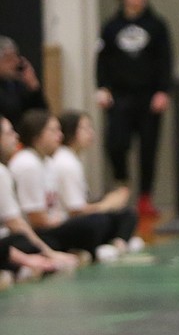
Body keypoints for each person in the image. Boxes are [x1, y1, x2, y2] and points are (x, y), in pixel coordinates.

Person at [96, 0, 173, 219]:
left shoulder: (157, 25)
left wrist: (163, 90)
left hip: (149, 96)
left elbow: (165, 60)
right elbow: (101, 60)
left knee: (148, 148)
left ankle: (145, 198)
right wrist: (102, 87)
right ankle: (122, 187)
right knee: (116, 143)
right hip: (120, 96)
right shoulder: (111, 26)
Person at [8, 110, 122, 262]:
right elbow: (36, 219)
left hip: (50, 225)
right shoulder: (28, 164)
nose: (59, 136)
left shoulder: (46, 162)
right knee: (94, 223)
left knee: (105, 219)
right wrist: (105, 205)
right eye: (53, 130)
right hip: (37, 231)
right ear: (37, 134)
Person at [0, 116, 80, 278]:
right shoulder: (24, 165)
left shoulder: (47, 162)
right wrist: (47, 254)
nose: (16, 136)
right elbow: (25, 221)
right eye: (9, 133)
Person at [54, 111, 143, 254]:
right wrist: (106, 205)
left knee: (127, 214)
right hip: (65, 222)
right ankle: (114, 244)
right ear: (70, 131)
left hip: (76, 216)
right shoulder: (66, 163)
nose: (91, 133)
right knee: (100, 221)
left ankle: (119, 242)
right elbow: (75, 210)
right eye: (85, 128)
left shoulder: (71, 159)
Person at [0, 36, 48, 129]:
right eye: (9, 59)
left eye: (16, 57)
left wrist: (34, 88)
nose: (17, 62)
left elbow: (41, 116)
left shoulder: (18, 85)